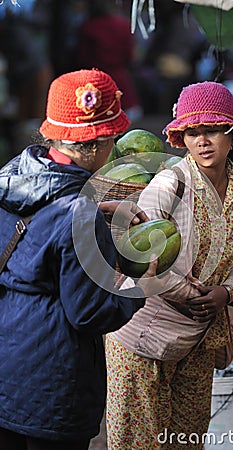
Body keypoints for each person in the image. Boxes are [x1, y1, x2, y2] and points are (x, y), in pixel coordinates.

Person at [0, 68, 164, 450]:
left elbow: (34, 239)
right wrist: (141, 287)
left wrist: (92, 212)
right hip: (53, 385)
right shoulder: (80, 215)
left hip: (6, 369)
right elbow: (90, 313)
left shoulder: (11, 177)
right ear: (100, 142)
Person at [105, 81, 233, 449]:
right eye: (193, 132)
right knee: (138, 443)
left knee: (186, 440)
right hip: (142, 336)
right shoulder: (169, 184)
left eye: (213, 130)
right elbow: (142, 260)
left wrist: (227, 291)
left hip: (199, 337)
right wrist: (194, 296)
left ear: (232, 133)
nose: (203, 141)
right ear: (181, 139)